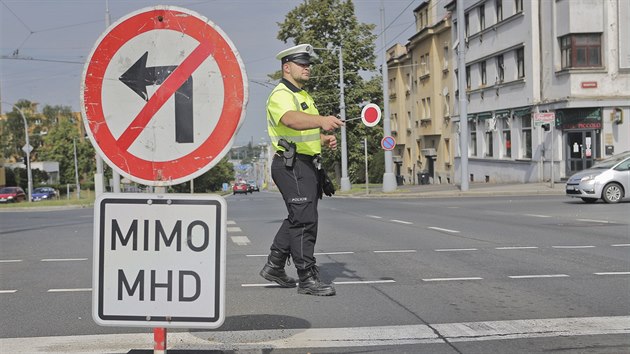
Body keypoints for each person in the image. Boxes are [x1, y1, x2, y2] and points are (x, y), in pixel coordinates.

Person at [259, 44, 344, 296]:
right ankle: (306, 278)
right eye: (301, 64)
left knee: (301, 215)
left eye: (308, 64)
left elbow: (301, 129)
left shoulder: (304, 95)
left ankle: (275, 265)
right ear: (287, 67)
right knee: (305, 218)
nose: (307, 67)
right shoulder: (281, 93)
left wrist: (321, 138)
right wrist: (322, 121)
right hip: (290, 164)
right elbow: (290, 120)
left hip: (305, 163)